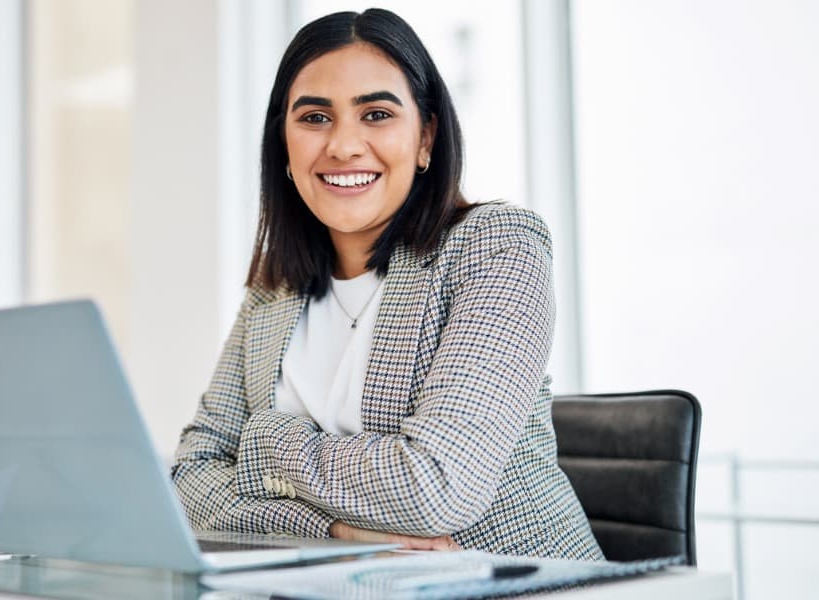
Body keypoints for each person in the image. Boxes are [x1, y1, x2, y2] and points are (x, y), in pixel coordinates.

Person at [171, 8, 602, 560]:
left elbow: (435, 489)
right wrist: (332, 535)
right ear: (283, 143)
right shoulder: (273, 289)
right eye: (314, 118)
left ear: (425, 138)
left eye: (376, 114)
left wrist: (268, 441)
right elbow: (188, 482)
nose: (344, 146)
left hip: (515, 587)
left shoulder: (496, 245)